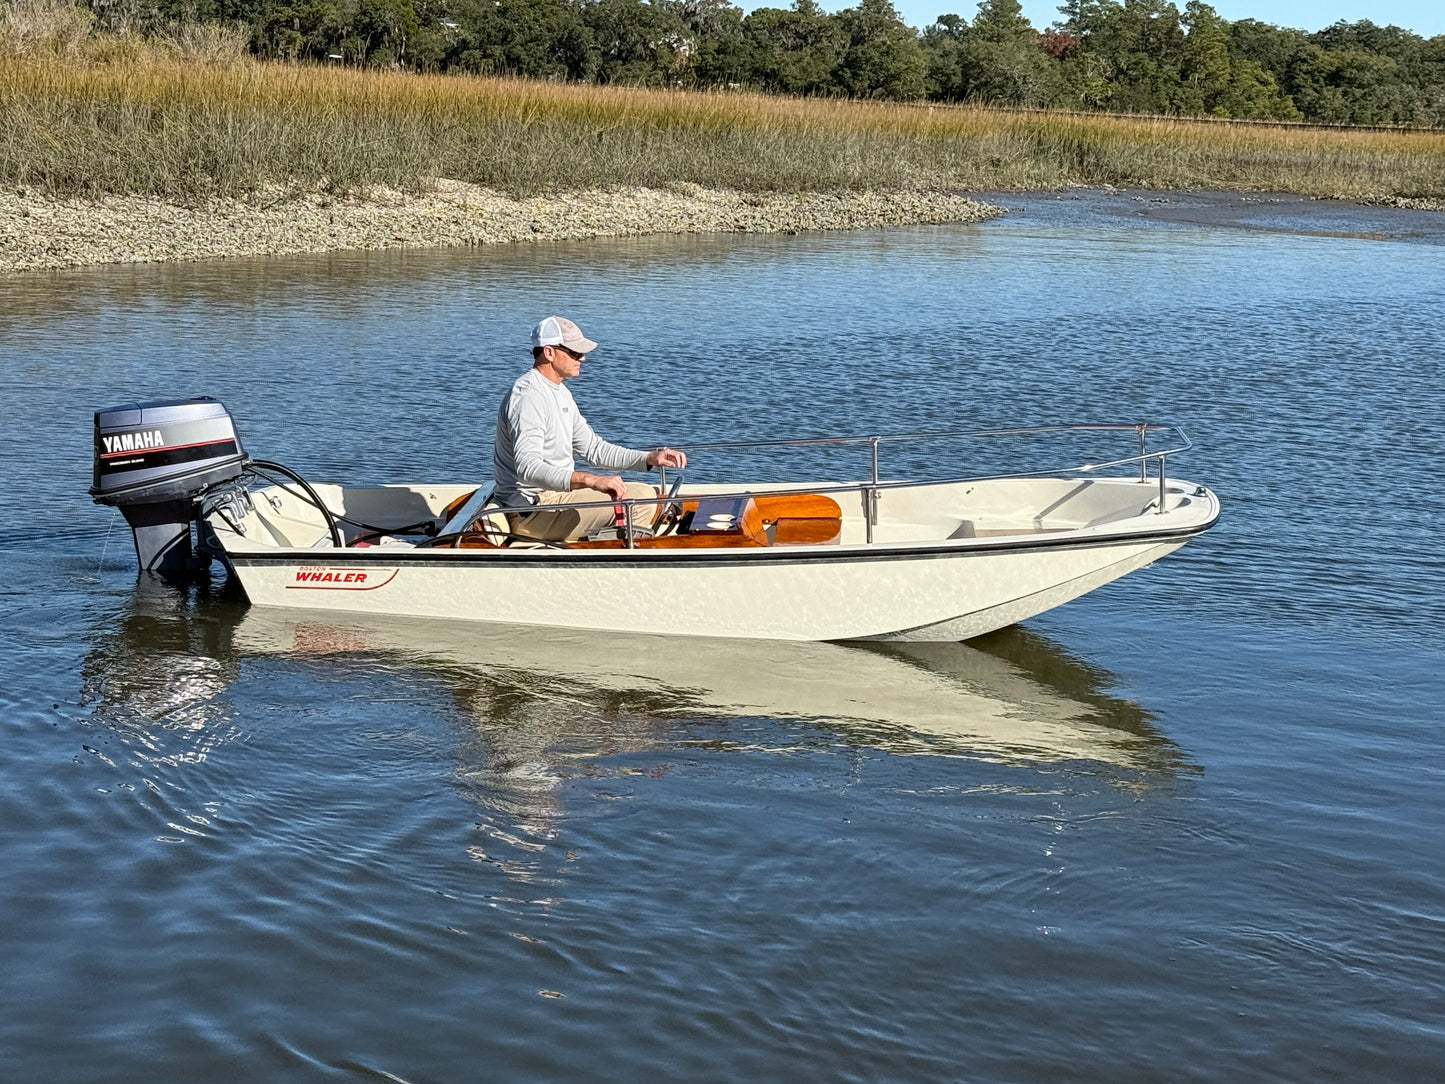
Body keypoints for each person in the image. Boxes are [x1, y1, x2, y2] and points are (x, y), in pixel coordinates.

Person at [493, 316, 686, 541]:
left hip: (556, 499)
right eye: (575, 352)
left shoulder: (559, 391)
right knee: (642, 501)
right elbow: (529, 468)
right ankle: (615, 562)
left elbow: (594, 449)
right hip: (532, 512)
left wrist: (650, 458)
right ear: (549, 352)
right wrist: (591, 480)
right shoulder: (528, 397)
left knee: (648, 494)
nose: (582, 358)